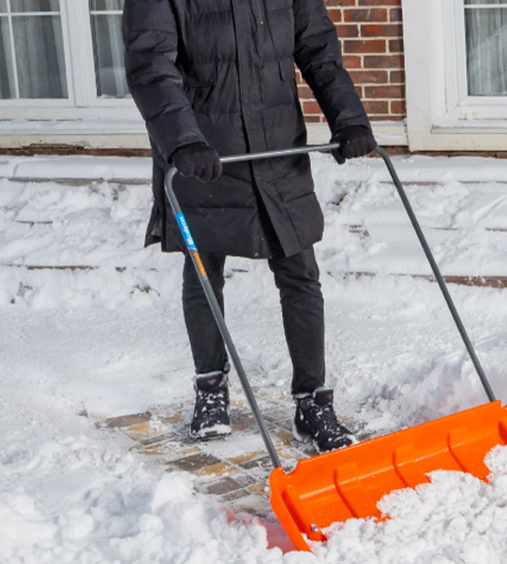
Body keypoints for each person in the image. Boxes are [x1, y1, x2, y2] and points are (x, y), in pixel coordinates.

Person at [122, 0, 377, 452]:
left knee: (300, 269)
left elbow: (318, 47)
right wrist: (183, 141)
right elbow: (151, 65)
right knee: (203, 271)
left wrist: (348, 117)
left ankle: (312, 401)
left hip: (276, 146)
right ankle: (211, 387)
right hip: (205, 152)